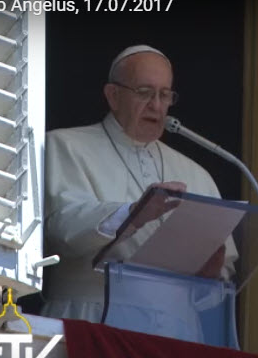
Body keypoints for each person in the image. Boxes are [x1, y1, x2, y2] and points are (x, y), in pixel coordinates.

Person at [40, 45, 238, 325]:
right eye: (144, 93)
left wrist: (208, 279)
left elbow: (222, 276)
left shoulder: (197, 174)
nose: (156, 106)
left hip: (175, 329)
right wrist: (133, 214)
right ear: (113, 96)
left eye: (164, 95)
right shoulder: (66, 146)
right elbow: (61, 229)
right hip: (92, 317)